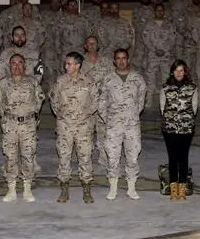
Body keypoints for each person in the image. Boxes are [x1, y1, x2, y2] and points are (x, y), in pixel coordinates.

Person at [0, 54, 45, 202]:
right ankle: (11, 188)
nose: (16, 66)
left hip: (28, 125)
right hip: (10, 124)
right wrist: (4, 114)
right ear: (10, 66)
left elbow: (40, 97)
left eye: (20, 63)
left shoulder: (32, 82)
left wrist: (34, 112)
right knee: (10, 156)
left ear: (24, 65)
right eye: (13, 63)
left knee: (28, 155)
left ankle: (27, 188)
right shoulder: (3, 83)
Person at [98, 49, 147, 201]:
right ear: (114, 61)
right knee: (112, 157)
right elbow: (101, 102)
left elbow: (141, 100)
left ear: (128, 59)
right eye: (118, 59)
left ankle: (131, 188)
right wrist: (110, 119)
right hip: (114, 125)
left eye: (124, 58)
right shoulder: (107, 79)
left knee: (132, 156)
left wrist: (131, 115)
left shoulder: (137, 78)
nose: (121, 61)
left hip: (132, 125)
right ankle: (113, 188)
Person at [49, 52, 98, 203]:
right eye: (66, 63)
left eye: (69, 64)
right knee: (64, 157)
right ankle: (64, 189)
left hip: (83, 127)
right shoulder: (60, 82)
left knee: (85, 158)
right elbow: (53, 100)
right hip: (65, 127)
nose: (66, 66)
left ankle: (87, 189)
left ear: (78, 65)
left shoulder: (89, 82)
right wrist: (62, 115)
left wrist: (84, 115)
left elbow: (95, 101)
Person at [160, 60, 198, 201]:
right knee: (172, 158)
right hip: (169, 129)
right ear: (172, 72)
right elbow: (162, 108)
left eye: (181, 70)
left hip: (186, 129)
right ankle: (173, 187)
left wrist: (185, 121)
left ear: (185, 72)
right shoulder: (165, 88)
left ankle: (182, 187)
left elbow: (194, 108)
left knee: (183, 158)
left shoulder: (192, 88)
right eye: (176, 70)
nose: (179, 73)